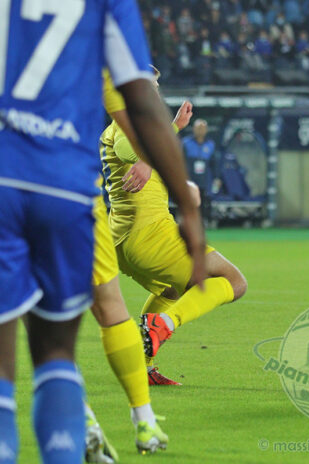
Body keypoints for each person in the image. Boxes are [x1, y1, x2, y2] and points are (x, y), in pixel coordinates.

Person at [0, 1, 206, 463]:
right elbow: (139, 106)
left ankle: (82, 420)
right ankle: (128, 421)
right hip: (64, 187)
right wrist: (187, 203)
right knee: (59, 342)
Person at [100, 71, 248, 387]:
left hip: (123, 241)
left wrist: (174, 127)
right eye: (151, 86)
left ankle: (143, 365)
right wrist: (146, 160)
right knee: (234, 282)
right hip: (150, 234)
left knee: (170, 291)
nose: (156, 92)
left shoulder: (122, 124)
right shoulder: (131, 122)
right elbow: (129, 149)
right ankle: (165, 324)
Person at [182, 119, 217, 225]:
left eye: (202, 128)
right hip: (189, 178)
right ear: (193, 129)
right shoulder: (186, 143)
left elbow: (214, 163)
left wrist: (216, 178)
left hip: (204, 180)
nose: (200, 130)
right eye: (198, 128)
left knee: (203, 201)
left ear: (206, 130)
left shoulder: (210, 144)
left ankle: (203, 223)